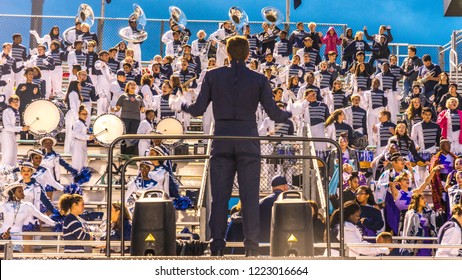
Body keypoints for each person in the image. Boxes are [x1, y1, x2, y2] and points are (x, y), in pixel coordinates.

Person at [172, 36, 291, 257]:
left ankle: (217, 247)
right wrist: (291, 112)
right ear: (248, 54)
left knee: (220, 198)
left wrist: (182, 105)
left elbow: (197, 109)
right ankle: (252, 249)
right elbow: (275, 114)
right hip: (248, 141)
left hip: (222, 140)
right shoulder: (258, 79)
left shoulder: (212, 75)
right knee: (250, 197)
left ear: (227, 54)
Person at [0, 182, 56, 253]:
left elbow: (41, 216)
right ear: (13, 194)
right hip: (3, 235)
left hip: (17, 236)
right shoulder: (3, 205)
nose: (23, 193)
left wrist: (55, 224)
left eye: (22, 191)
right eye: (19, 191)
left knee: (15, 258)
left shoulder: (28, 206)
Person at [113, 80, 146, 154]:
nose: (133, 86)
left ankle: (132, 153)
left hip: (136, 119)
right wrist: (114, 109)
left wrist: (143, 110)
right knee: (125, 136)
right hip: (125, 118)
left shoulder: (139, 97)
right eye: (131, 84)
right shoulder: (123, 96)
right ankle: (123, 153)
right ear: (127, 87)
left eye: (134, 84)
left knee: (133, 136)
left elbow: (142, 107)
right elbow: (117, 107)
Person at [258, 175, 289, 255]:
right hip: (283, 245)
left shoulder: (261, 202)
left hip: (263, 244)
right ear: (285, 186)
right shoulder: (288, 201)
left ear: (272, 187)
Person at [1, 95, 29, 166]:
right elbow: (7, 127)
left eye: (18, 101)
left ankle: (12, 170)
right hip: (6, 134)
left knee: (14, 154)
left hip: (13, 134)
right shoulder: (6, 111)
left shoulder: (16, 111)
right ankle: (4, 172)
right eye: (14, 102)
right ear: (10, 103)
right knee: (8, 154)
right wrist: (21, 128)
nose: (16, 103)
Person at [71, 105, 95, 170]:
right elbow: (76, 134)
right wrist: (87, 137)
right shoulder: (77, 123)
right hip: (77, 145)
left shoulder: (83, 123)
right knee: (77, 165)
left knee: (83, 165)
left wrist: (92, 138)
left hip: (82, 145)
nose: (85, 116)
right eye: (83, 114)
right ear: (79, 114)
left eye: (86, 114)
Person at [64, 80, 83, 154]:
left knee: (72, 133)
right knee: (70, 134)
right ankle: (69, 151)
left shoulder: (74, 94)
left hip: (73, 114)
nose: (80, 87)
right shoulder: (73, 93)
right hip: (73, 115)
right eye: (79, 85)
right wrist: (77, 119)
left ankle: (71, 151)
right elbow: (73, 107)